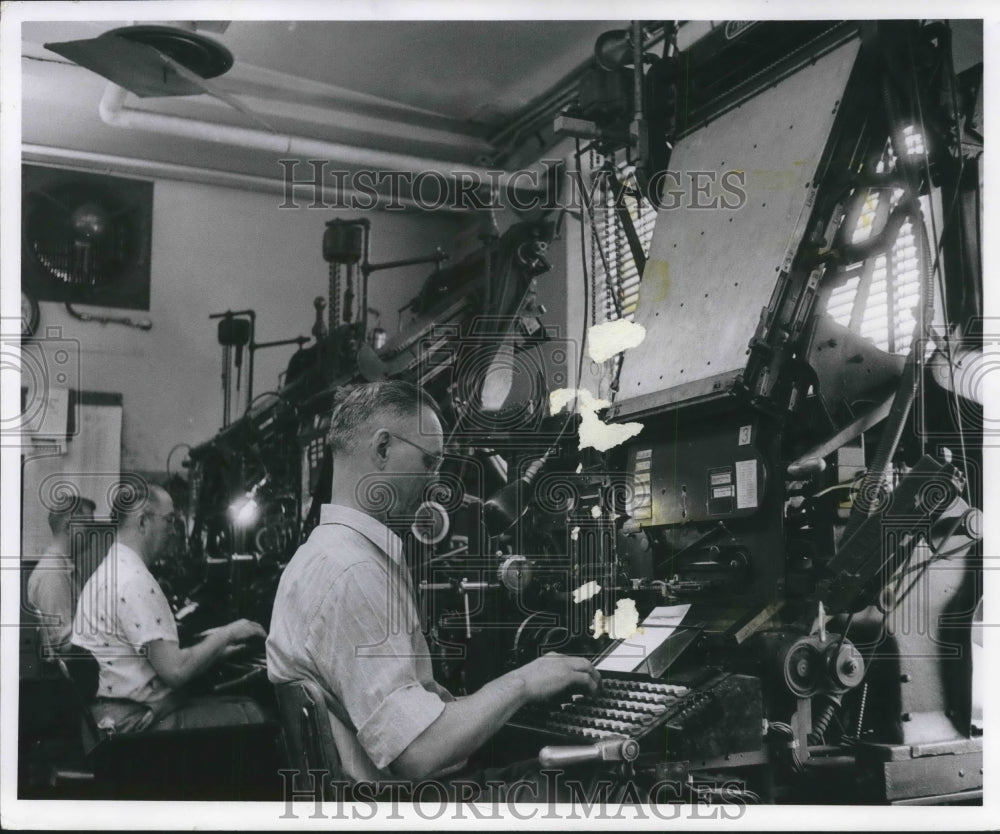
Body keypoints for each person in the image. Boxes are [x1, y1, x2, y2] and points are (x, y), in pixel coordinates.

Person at [267, 380, 602, 794]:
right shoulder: (350, 571)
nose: (437, 482)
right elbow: (419, 752)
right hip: (400, 807)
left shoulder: (330, 555)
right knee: (594, 783)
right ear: (383, 448)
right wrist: (524, 682)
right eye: (430, 461)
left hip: (386, 801)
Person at [72, 481, 268, 734]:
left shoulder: (110, 570)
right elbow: (176, 671)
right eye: (170, 520)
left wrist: (215, 652)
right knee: (252, 713)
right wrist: (228, 633)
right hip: (135, 725)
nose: (174, 531)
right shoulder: (132, 580)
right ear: (143, 521)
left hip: (110, 716)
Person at [26, 495, 97, 654]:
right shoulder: (53, 574)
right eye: (88, 525)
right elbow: (66, 645)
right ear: (68, 527)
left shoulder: (65, 568)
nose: (92, 532)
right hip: (67, 674)